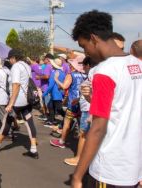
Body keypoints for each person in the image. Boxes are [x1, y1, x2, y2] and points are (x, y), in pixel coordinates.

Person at [71, 10, 142, 188]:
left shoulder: (105, 71)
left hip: (109, 169)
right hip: (133, 168)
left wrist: (78, 176)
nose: (85, 51)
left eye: (84, 45)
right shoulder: (139, 66)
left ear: (94, 38)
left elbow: (98, 128)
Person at [5, 49, 39, 159]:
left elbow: (16, 85)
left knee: (7, 122)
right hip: (26, 101)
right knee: (29, 122)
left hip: (17, 101)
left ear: (13, 57)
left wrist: (11, 103)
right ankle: (33, 149)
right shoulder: (26, 65)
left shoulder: (15, 67)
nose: (9, 61)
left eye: (10, 59)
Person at [50, 55, 87, 148]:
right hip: (82, 102)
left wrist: (56, 79)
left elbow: (64, 86)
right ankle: (80, 139)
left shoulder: (71, 75)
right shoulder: (86, 75)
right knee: (80, 122)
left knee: (67, 123)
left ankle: (62, 141)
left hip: (73, 103)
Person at [64, 56, 94, 166]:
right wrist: (79, 99)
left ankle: (79, 158)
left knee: (83, 134)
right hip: (87, 107)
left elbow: (91, 92)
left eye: (84, 66)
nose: (83, 68)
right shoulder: (88, 75)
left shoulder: (92, 74)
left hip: (88, 109)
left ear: (88, 65)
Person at [42, 58, 66, 127]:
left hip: (55, 94)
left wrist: (44, 94)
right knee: (50, 106)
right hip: (59, 93)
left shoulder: (54, 73)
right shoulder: (62, 72)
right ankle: (51, 120)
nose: (51, 65)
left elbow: (50, 85)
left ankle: (67, 118)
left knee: (58, 109)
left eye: (52, 64)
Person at [36, 53, 54, 122]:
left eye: (45, 58)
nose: (43, 60)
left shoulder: (47, 66)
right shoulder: (52, 66)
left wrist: (39, 77)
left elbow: (47, 76)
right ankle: (47, 116)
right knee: (47, 103)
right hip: (48, 87)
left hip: (46, 88)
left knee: (47, 103)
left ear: (48, 59)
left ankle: (48, 117)